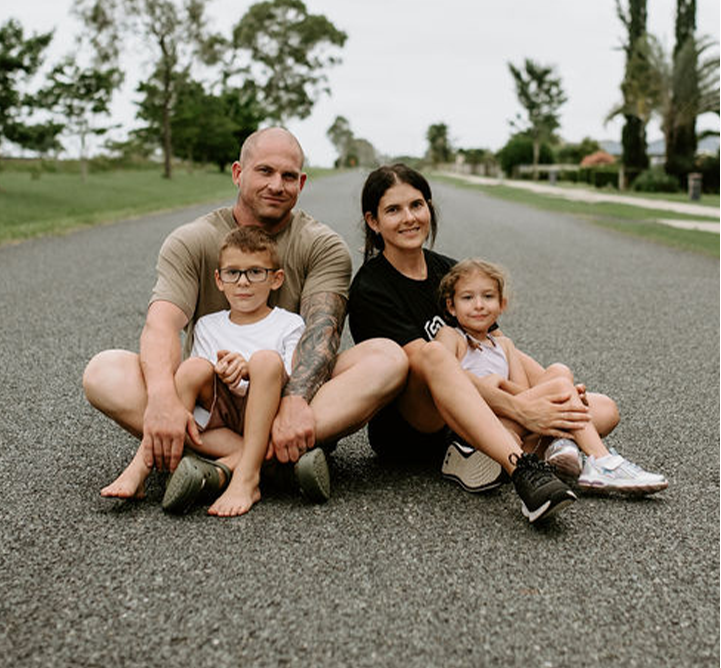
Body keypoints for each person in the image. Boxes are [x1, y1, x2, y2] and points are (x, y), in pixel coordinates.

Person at [84, 128, 407, 503]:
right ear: (238, 173)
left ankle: (217, 464)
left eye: (288, 176)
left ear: (301, 182)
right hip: (214, 403)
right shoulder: (193, 240)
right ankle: (267, 465)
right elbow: (162, 325)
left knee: (388, 358)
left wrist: (295, 401)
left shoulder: (322, 244)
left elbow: (323, 334)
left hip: (286, 393)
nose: (277, 185)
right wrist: (161, 400)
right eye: (265, 171)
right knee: (103, 371)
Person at [348, 164, 618, 524]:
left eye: (416, 205)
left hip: (484, 411)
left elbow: (499, 346)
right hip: (415, 426)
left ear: (429, 207)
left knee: (601, 408)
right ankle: (524, 466)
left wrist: (556, 391)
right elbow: (426, 368)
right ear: (373, 221)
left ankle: (481, 452)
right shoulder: (371, 287)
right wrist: (523, 410)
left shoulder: (450, 271)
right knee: (432, 353)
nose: (409, 218)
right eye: (393, 210)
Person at [101, 226, 314, 516]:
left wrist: (248, 368)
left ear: (276, 279)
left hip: (268, 414)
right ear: (219, 279)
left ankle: (244, 477)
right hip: (220, 421)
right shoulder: (208, 324)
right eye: (233, 273)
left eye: (255, 272)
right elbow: (199, 384)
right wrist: (222, 371)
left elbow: (290, 377)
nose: (243, 282)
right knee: (192, 368)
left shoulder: (289, 323)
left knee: (266, 360)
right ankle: (142, 467)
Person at [435, 258, 668, 495]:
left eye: (488, 297)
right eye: (467, 298)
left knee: (559, 371)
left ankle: (560, 448)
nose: (479, 305)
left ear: (501, 304)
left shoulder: (504, 345)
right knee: (559, 384)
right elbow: (444, 376)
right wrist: (506, 386)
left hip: (515, 424)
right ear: (451, 306)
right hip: (479, 425)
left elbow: (523, 392)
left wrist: (557, 396)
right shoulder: (451, 336)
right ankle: (601, 460)